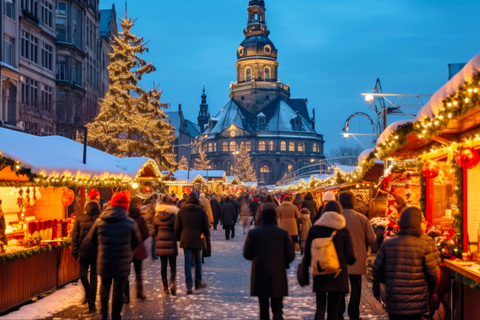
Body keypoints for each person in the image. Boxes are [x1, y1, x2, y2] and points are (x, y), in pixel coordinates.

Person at [372, 207, 441, 320]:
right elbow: (433, 274)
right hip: (417, 302)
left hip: (394, 302)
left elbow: (377, 272)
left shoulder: (387, 245)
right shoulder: (425, 245)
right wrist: (428, 294)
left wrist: (391, 283)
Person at [83, 191, 142, 320]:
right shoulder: (130, 223)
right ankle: (116, 316)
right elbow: (137, 241)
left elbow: (90, 240)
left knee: (104, 287)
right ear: (125, 206)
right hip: (122, 262)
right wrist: (127, 250)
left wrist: (102, 248)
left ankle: (103, 314)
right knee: (118, 290)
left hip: (105, 261)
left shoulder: (100, 221)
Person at [302, 201, 356, 320]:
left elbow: (307, 254)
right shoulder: (343, 230)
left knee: (320, 308)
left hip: (320, 272)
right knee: (333, 312)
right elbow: (351, 256)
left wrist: (305, 272)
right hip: (338, 273)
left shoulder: (315, 229)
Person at [243, 208, 295, 320]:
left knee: (263, 308)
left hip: (260, 272)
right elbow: (291, 254)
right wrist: (283, 263)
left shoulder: (254, 233)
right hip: (278, 273)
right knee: (277, 309)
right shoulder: (283, 233)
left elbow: (247, 254)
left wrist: (257, 258)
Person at [338, 192, 376, 320]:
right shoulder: (362, 218)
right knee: (356, 285)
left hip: (338, 259)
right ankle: (353, 313)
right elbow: (371, 238)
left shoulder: (335, 218)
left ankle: (339, 312)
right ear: (352, 202)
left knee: (340, 286)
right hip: (356, 258)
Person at [174, 196, 210, 294]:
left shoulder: (181, 212)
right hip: (198, 238)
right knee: (198, 261)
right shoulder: (202, 212)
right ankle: (198, 283)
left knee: (187, 261)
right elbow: (206, 228)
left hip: (186, 239)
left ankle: (188, 286)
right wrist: (206, 236)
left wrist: (179, 238)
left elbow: (177, 228)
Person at [71, 200, 100, 312]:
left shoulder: (79, 218)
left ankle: (91, 300)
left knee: (82, 275)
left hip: (83, 252)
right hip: (96, 252)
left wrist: (75, 251)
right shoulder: (101, 218)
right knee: (93, 276)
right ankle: (90, 297)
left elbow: (75, 236)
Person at [125, 197, 150, 302]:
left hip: (125, 248)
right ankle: (139, 292)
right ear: (137, 204)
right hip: (138, 248)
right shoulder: (140, 218)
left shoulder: (125, 217)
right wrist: (138, 241)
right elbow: (146, 233)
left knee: (125, 273)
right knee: (138, 271)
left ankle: (126, 296)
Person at [154, 195, 179, 295]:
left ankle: (165, 287)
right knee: (173, 265)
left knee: (163, 265)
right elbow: (176, 229)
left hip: (161, 242)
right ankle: (172, 283)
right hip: (171, 242)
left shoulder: (156, 216)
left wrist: (159, 236)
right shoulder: (173, 215)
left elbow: (154, 229)